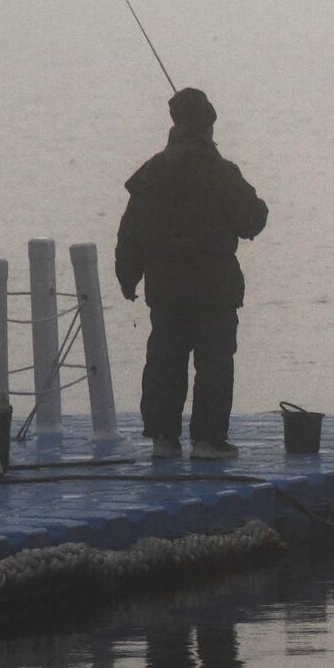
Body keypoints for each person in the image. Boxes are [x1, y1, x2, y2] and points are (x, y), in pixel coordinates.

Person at [115, 87, 268, 460]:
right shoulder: (220, 171)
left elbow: (130, 233)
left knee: (164, 361)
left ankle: (163, 440)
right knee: (214, 364)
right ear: (207, 125)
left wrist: (127, 277)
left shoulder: (151, 172)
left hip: (165, 287)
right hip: (213, 286)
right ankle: (208, 441)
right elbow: (252, 219)